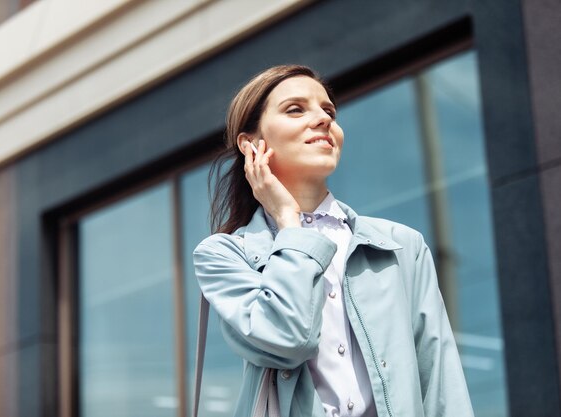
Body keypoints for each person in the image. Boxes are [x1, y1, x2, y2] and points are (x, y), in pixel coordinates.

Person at [193, 65, 474, 417]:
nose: (323, 120)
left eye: (328, 111)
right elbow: (287, 339)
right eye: (296, 109)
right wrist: (288, 222)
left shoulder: (401, 246)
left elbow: (439, 379)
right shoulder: (223, 256)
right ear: (251, 145)